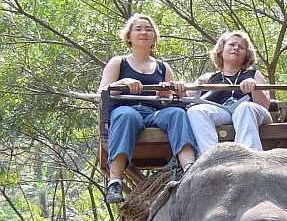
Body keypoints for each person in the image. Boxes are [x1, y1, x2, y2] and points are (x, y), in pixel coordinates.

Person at [98, 13, 196, 204]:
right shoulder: (119, 62)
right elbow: (102, 91)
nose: (144, 32)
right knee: (127, 115)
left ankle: (190, 171)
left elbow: (167, 99)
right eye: (138, 29)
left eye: (148, 29)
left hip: (153, 113)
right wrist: (123, 82)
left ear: (154, 37)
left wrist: (174, 89)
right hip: (126, 110)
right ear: (129, 37)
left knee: (177, 113)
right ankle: (115, 181)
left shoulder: (162, 66)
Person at [187, 31, 272, 156]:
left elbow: (264, 105)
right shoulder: (209, 78)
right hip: (224, 112)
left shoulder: (253, 74)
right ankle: (211, 157)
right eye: (232, 44)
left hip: (252, 113)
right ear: (221, 50)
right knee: (196, 110)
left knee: (244, 107)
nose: (236, 48)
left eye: (241, 47)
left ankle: (248, 157)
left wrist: (254, 86)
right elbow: (189, 95)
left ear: (246, 54)